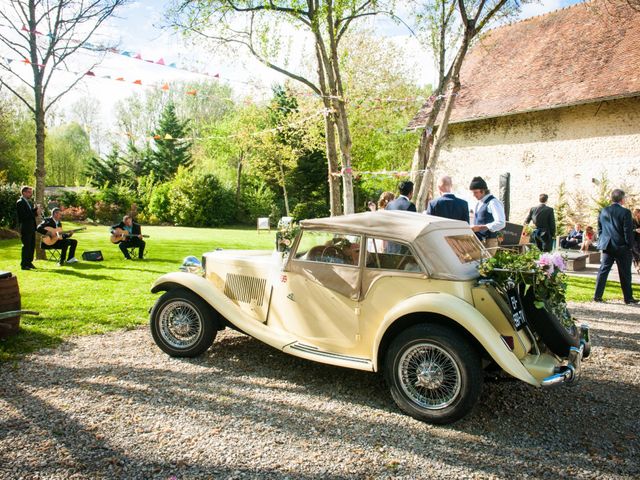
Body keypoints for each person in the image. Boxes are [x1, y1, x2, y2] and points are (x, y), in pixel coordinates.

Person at [593, 189, 637, 304]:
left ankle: (597, 296)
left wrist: (602, 240)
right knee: (625, 273)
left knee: (603, 271)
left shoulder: (603, 211)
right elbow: (627, 231)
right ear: (622, 199)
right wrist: (630, 245)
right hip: (622, 246)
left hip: (607, 245)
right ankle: (628, 298)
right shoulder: (626, 212)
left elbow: (599, 228)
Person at [469, 176, 506, 255]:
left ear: (483, 191)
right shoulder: (479, 203)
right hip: (478, 240)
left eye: (475, 192)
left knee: (485, 266)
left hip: (489, 241)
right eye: (473, 192)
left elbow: (501, 222)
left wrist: (481, 227)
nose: (474, 195)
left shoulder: (493, 202)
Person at [16, 186, 41, 270]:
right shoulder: (20, 202)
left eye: (31, 192)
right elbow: (23, 216)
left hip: (31, 227)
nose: (31, 194)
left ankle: (29, 263)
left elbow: (30, 213)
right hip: (25, 227)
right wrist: (34, 213)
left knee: (31, 246)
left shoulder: (28, 202)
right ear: (24, 193)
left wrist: (36, 210)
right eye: (29, 192)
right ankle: (24, 264)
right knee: (26, 246)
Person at [632, 208, 640, 275]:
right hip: (634, 240)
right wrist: (635, 230)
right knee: (635, 255)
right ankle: (637, 266)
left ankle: (638, 266)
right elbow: (628, 230)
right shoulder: (632, 220)